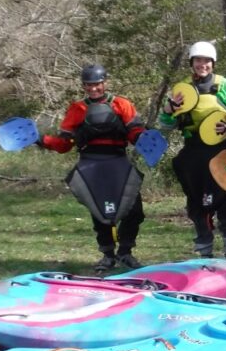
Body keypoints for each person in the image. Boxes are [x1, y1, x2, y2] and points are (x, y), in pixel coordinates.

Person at [37, 64, 147, 271]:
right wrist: (41, 139)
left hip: (118, 161)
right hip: (91, 163)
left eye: (96, 84)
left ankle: (125, 252)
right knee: (99, 211)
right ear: (84, 86)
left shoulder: (122, 104)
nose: (93, 89)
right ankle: (107, 255)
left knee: (135, 211)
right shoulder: (77, 109)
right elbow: (64, 144)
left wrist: (143, 138)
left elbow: (135, 132)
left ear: (104, 83)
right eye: (88, 85)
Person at [158, 41, 226, 259]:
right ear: (192, 63)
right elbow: (167, 124)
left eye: (207, 61)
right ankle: (204, 243)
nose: (202, 65)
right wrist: (168, 109)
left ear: (213, 63)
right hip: (194, 149)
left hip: (221, 148)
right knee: (196, 199)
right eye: (198, 60)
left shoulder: (225, 86)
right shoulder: (181, 89)